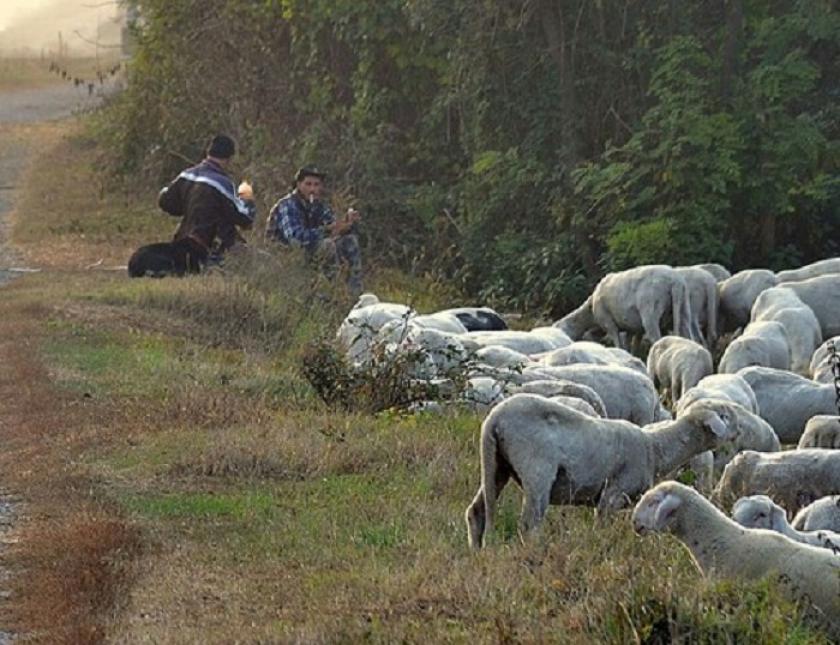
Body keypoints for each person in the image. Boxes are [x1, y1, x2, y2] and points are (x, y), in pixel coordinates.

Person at [158, 134, 256, 267]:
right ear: (229, 159)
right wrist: (247, 195)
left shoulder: (186, 175)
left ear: (208, 153)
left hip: (181, 242)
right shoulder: (221, 183)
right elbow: (244, 217)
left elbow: (164, 201)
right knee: (260, 260)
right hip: (208, 248)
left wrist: (188, 205)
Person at [265, 166, 363, 295]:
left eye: (316, 185)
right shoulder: (287, 205)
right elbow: (294, 238)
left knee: (349, 241)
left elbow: (333, 225)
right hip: (284, 255)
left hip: (309, 250)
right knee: (327, 245)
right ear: (298, 184)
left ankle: (354, 293)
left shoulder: (318, 206)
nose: (312, 189)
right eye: (308, 184)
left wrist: (347, 224)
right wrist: (327, 230)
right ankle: (330, 292)